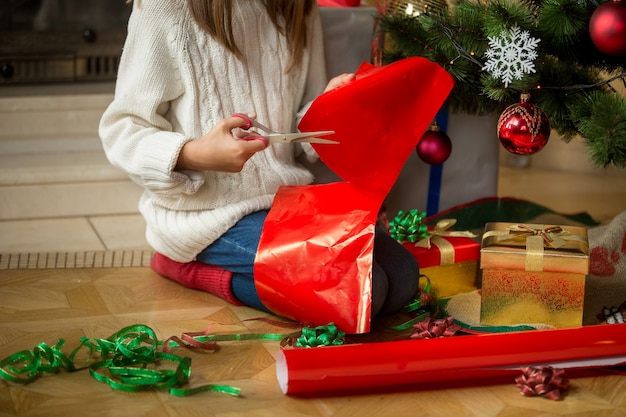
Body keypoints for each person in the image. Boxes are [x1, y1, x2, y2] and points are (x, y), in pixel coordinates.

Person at [99, 0, 418, 324]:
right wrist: (197, 153)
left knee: (404, 277)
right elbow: (122, 130)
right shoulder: (167, 8)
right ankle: (185, 265)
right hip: (207, 216)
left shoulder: (296, 9)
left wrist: (331, 106)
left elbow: (299, 126)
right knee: (364, 291)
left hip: (285, 202)